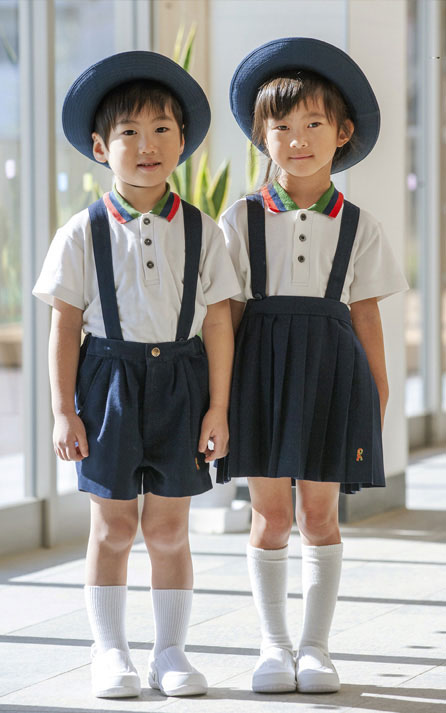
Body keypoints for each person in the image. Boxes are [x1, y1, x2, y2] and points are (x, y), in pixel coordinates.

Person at [33, 50, 240, 700]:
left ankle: (172, 652)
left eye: (161, 130)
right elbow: (64, 326)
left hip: (182, 384)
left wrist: (219, 407)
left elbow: (218, 324)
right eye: (129, 132)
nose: (146, 145)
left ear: (183, 140)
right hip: (109, 383)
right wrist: (65, 409)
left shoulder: (205, 232)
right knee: (114, 525)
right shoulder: (81, 233)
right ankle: (109, 649)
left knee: (170, 527)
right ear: (101, 145)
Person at [218, 37, 408, 694]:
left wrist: (377, 396)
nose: (297, 139)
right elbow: (227, 316)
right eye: (282, 126)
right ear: (261, 136)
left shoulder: (360, 226)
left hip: (332, 378)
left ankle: (316, 647)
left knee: (321, 515)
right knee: (269, 514)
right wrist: (221, 398)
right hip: (260, 376)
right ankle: (273, 645)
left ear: (342, 132)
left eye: (313, 124)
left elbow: (366, 319)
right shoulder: (240, 219)